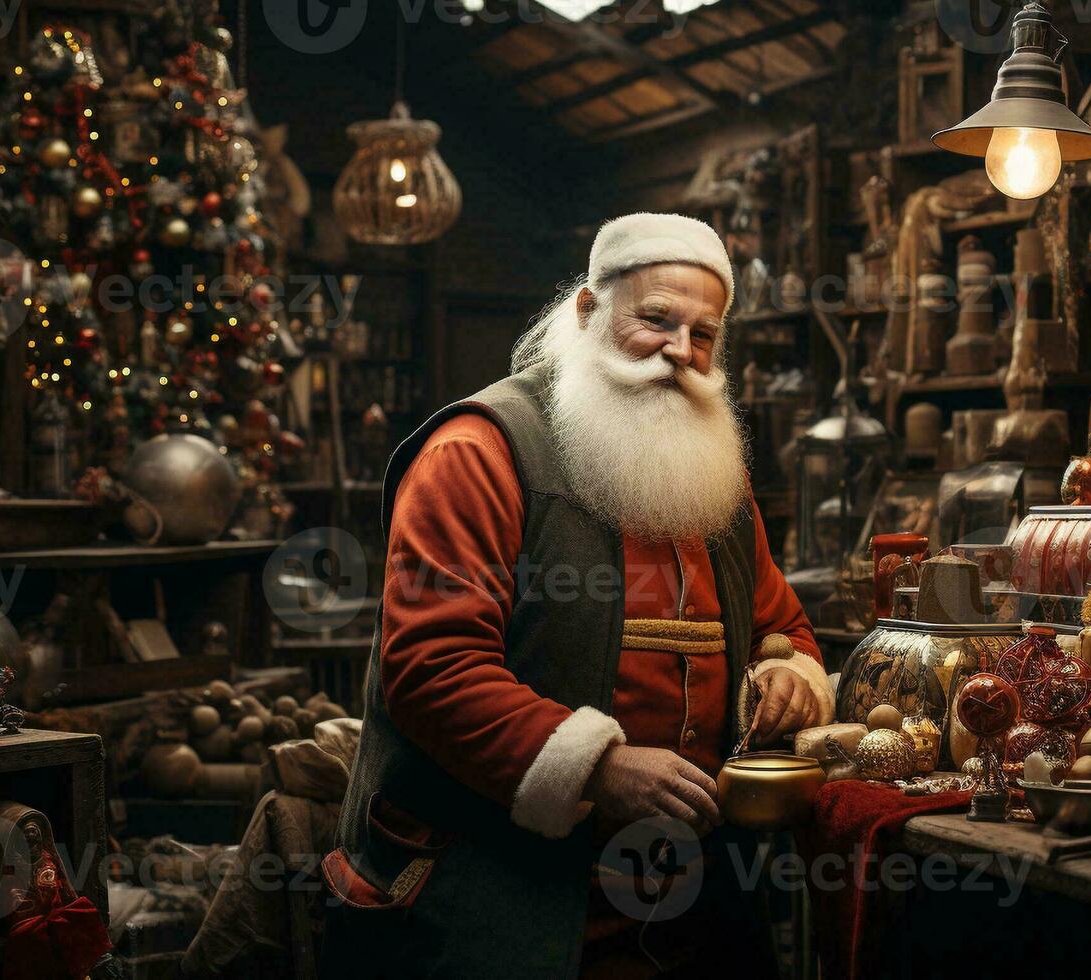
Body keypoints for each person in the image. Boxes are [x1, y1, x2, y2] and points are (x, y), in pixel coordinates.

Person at [321, 213, 831, 978]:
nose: (678, 351)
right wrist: (597, 767)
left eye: (703, 334)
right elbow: (431, 668)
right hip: (503, 898)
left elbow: (778, 624)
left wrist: (791, 674)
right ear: (589, 311)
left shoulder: (709, 470)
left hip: (686, 910)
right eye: (655, 319)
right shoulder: (478, 451)